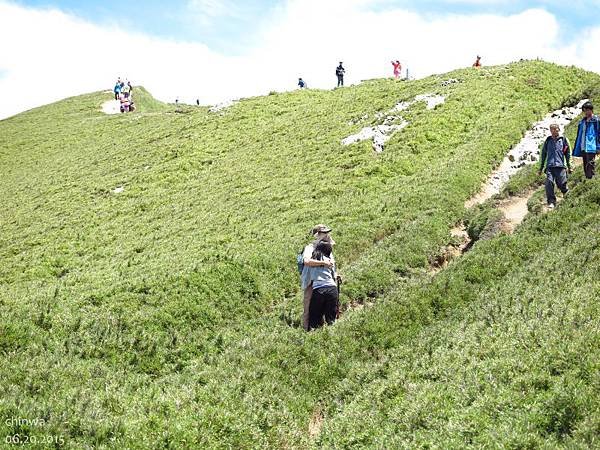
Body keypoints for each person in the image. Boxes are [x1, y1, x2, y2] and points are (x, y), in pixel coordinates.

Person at [300, 225, 335, 331]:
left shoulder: (326, 246)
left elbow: (332, 263)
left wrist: (335, 274)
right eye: (325, 233)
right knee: (308, 306)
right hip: (311, 280)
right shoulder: (310, 248)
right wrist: (323, 263)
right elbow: (306, 261)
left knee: (326, 306)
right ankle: (307, 330)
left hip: (324, 280)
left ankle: (321, 329)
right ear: (318, 235)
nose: (327, 235)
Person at [306, 240, 339, 330]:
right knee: (331, 318)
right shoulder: (329, 260)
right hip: (332, 288)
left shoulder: (314, 258)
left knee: (314, 316)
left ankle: (313, 334)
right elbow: (334, 275)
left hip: (319, 289)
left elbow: (306, 261)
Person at [539, 124, 571, 209]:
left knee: (562, 183)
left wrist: (569, 166)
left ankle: (566, 195)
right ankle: (551, 202)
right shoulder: (548, 140)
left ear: (559, 130)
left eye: (555, 129)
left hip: (560, 166)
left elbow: (568, 153)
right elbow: (543, 154)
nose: (553, 131)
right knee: (549, 183)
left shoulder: (563, 140)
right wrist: (541, 168)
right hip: (550, 166)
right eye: (552, 129)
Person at [573, 101, 600, 179]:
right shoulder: (582, 122)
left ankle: (592, 180)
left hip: (592, 146)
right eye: (584, 110)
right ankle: (589, 180)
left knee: (590, 164)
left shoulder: (596, 121)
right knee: (585, 166)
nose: (585, 112)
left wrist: (598, 147)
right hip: (583, 146)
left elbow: (599, 134)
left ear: (591, 110)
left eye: (587, 110)